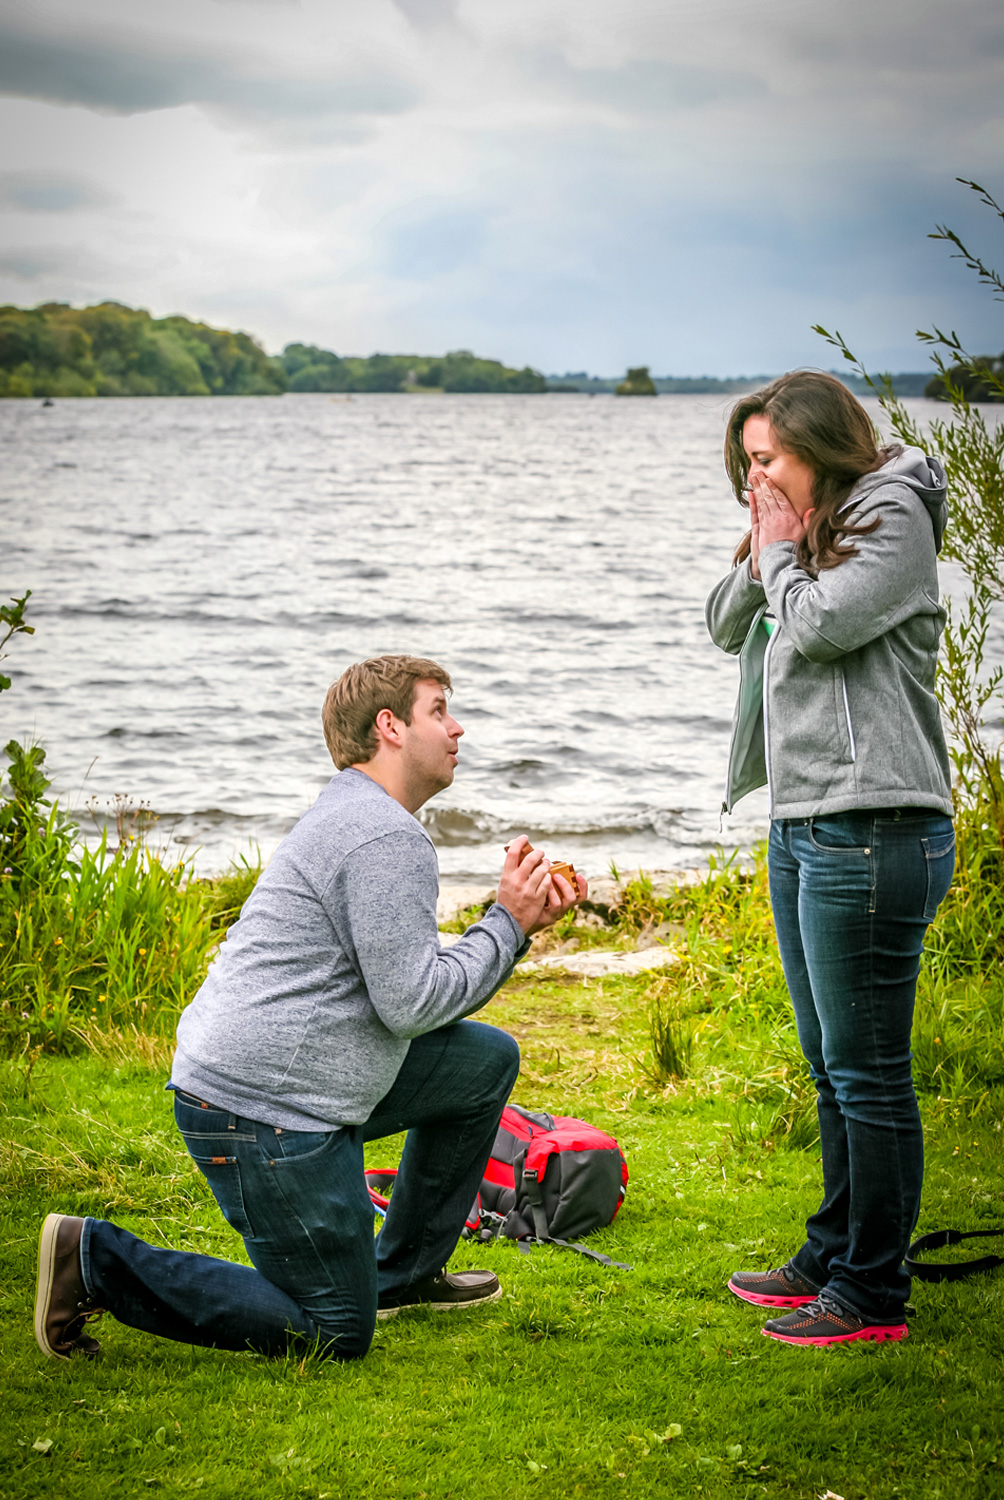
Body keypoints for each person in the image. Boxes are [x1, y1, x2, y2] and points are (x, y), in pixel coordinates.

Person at [35, 655, 584, 1363]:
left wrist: (509, 923)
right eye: (439, 709)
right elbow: (414, 1002)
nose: (458, 726)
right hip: (261, 1109)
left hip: (278, 1076)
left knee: (483, 1061)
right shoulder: (384, 835)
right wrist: (505, 924)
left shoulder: (357, 814)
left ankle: (405, 1276)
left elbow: (401, 968)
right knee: (333, 1330)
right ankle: (93, 1257)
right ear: (390, 726)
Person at [705, 371, 955, 1347]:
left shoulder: (890, 515)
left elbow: (816, 625)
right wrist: (767, 535)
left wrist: (780, 548)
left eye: (766, 459)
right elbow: (727, 621)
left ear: (817, 445)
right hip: (803, 818)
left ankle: (870, 1296)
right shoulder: (797, 532)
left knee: (867, 1074)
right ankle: (832, 1249)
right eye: (744, 464)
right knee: (827, 1065)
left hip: (874, 822)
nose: (753, 477)